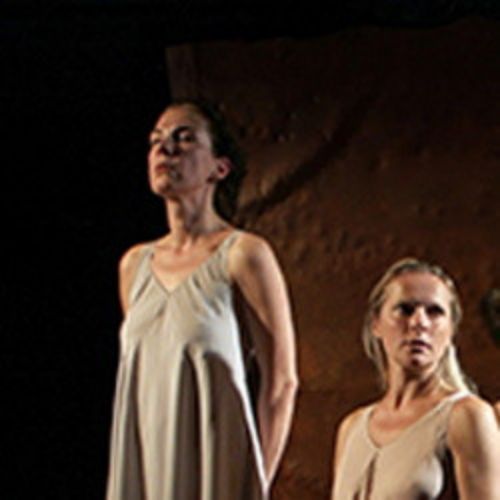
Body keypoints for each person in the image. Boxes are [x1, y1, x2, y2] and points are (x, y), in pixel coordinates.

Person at [106, 99, 298, 500]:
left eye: (184, 138)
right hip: (148, 473)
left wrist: (254, 483)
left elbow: (281, 382)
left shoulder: (244, 255)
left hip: (218, 477)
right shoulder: (134, 266)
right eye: (156, 141)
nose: (165, 149)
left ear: (219, 168)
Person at [330, 258, 499, 500]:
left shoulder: (466, 417)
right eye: (405, 309)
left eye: (435, 312)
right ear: (376, 324)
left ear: (451, 330)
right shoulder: (351, 427)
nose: (419, 322)